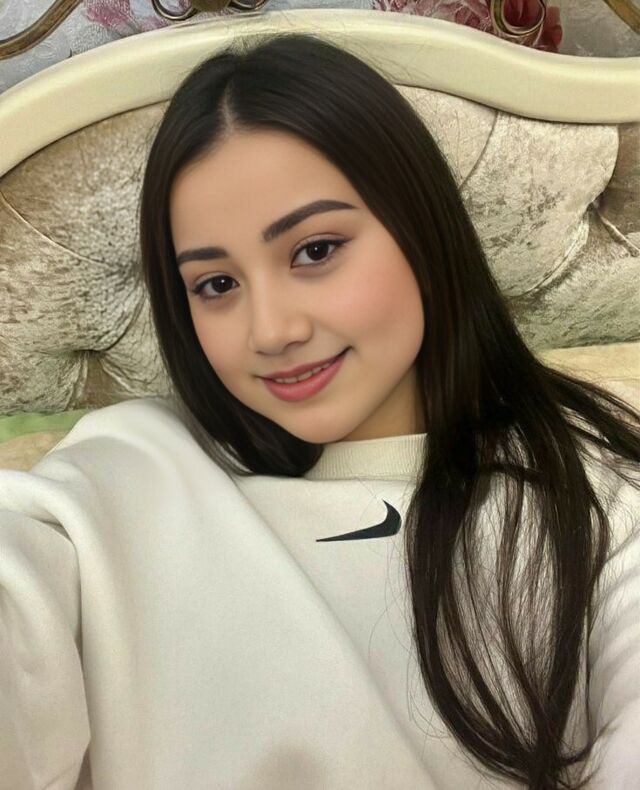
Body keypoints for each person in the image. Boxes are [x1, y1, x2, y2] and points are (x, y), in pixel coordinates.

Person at [1, 31, 639, 790]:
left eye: (315, 250)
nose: (271, 331)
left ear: (421, 229)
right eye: (216, 285)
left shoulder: (596, 498)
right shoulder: (125, 467)